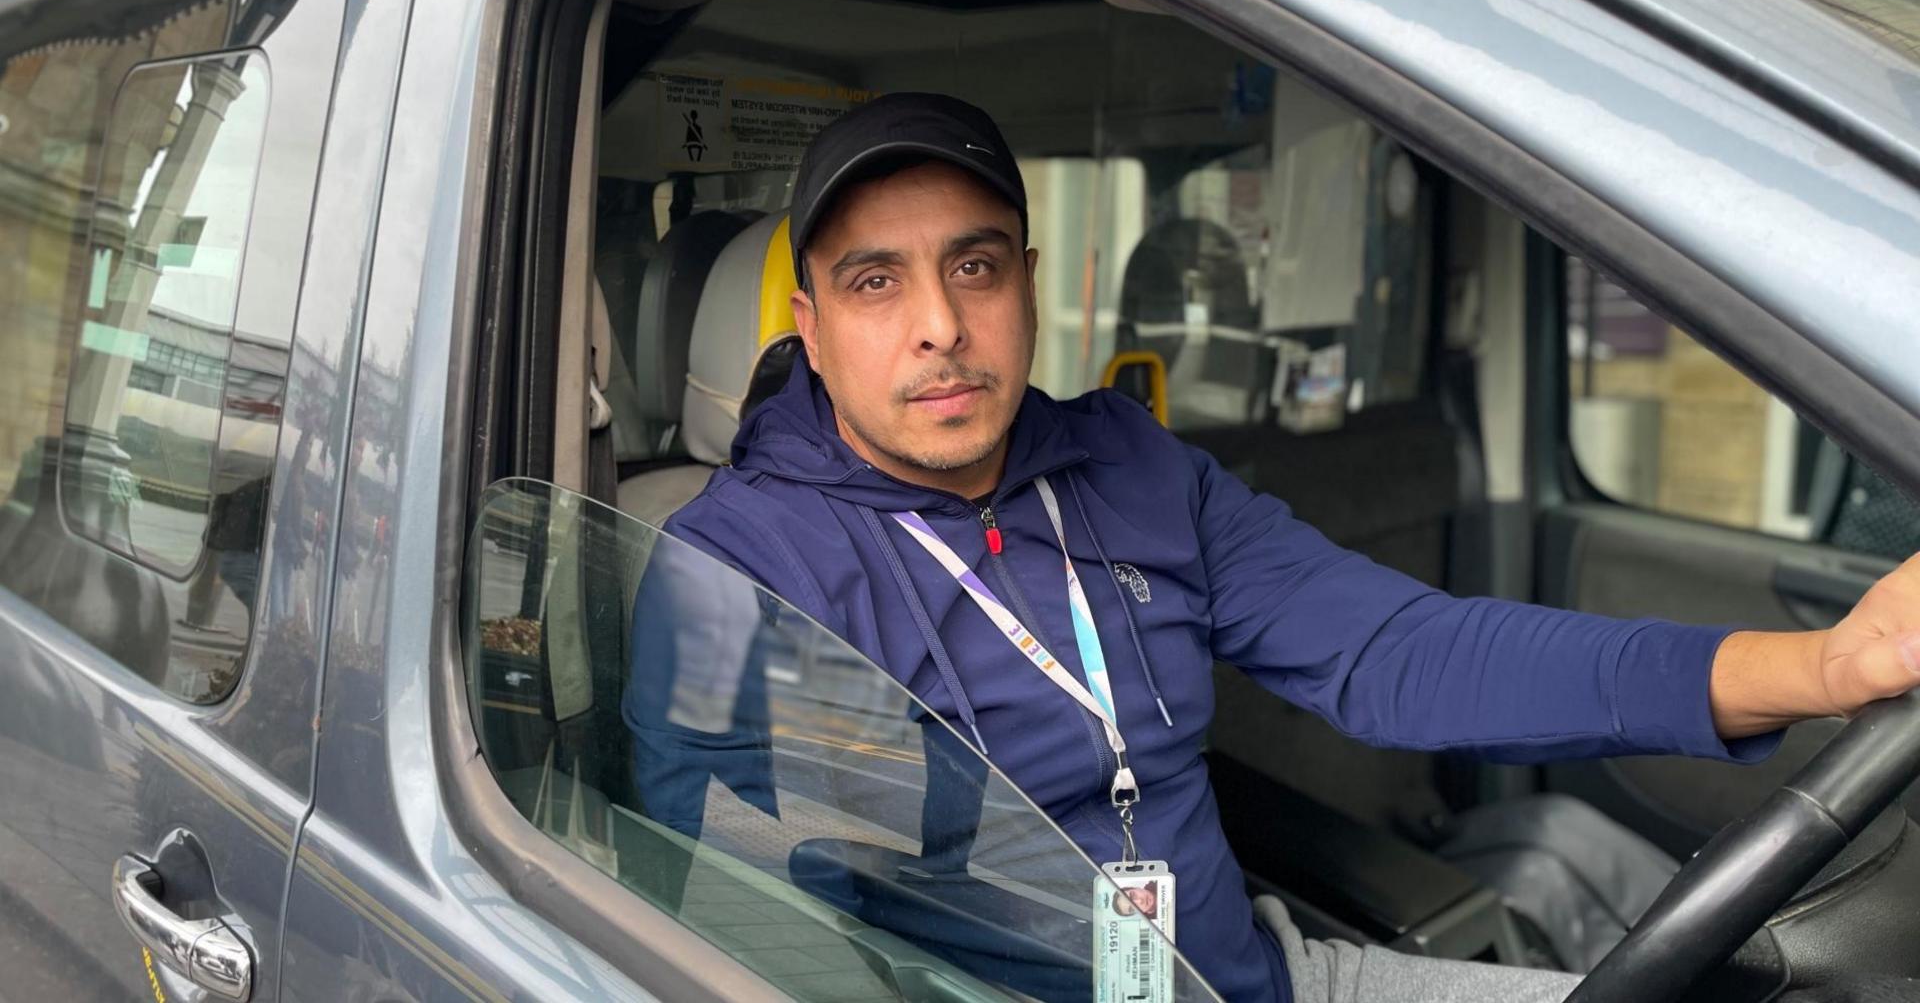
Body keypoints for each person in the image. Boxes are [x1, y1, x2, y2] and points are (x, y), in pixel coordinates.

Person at [655, 93, 1920, 1003]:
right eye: (878, 283)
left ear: (1030, 283)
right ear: (810, 329)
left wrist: (1824, 669)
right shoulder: (742, 571)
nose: (940, 324)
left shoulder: (1132, 466)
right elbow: (749, 930)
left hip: (1268, 975)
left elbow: (1404, 653)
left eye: (974, 267)